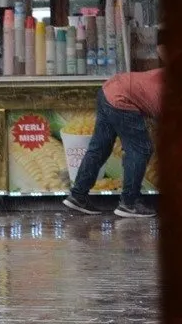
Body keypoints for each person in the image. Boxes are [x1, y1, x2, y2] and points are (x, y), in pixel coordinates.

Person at [62, 35, 162, 218]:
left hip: (109, 89)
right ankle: (129, 204)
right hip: (121, 99)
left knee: (100, 146)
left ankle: (78, 195)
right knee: (140, 149)